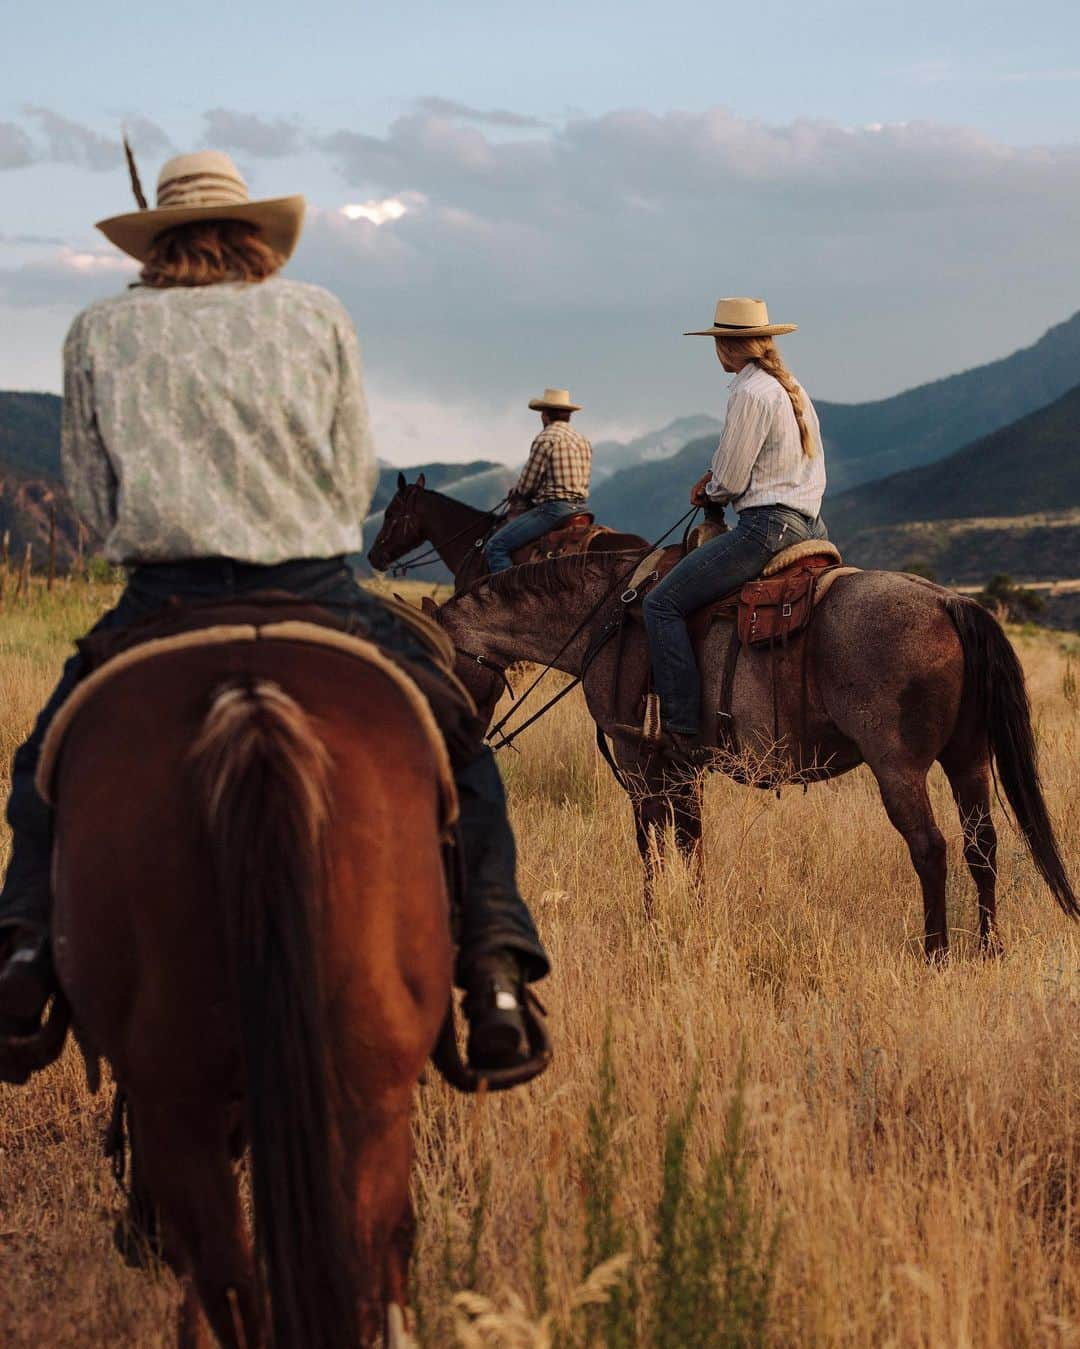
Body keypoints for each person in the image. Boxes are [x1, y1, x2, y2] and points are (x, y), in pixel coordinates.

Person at [0, 150, 548, 1081]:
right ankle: (494, 962)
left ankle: (21, 958)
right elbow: (350, 482)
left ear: (157, 241)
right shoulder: (317, 313)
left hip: (166, 592)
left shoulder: (101, 328)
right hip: (313, 586)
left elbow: (93, 500)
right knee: (458, 739)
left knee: (45, 759)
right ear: (256, 236)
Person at [643, 297, 828, 760]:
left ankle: (682, 730)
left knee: (661, 604)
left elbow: (731, 477)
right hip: (810, 524)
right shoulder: (791, 388)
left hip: (766, 527)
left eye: (717, 343)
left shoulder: (749, 393)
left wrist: (711, 489)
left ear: (726, 345)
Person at [485, 387, 592, 573]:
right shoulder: (582, 440)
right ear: (568, 415)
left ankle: (510, 599)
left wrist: (517, 492)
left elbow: (527, 487)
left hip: (554, 511)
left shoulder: (546, 438)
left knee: (496, 547)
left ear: (544, 415)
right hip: (582, 509)